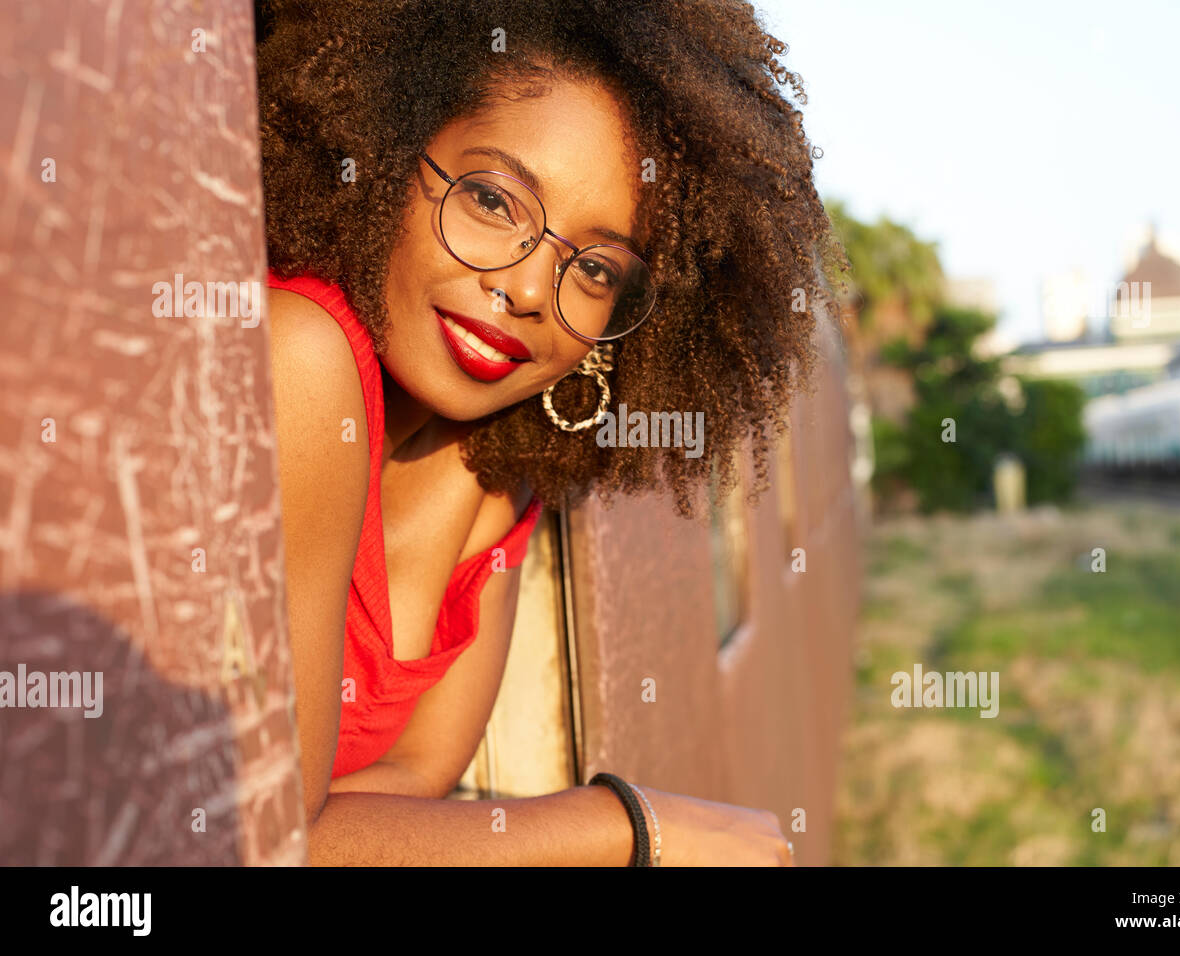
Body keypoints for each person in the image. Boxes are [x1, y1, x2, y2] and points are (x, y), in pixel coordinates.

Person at [257, 0, 845, 865]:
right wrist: (628, 827)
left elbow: (411, 784)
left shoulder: (498, 482)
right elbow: (266, 842)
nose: (532, 289)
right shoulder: (301, 357)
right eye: (493, 199)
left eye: (597, 267)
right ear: (379, 155)